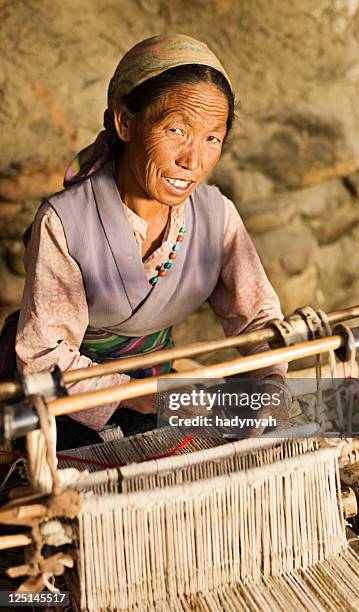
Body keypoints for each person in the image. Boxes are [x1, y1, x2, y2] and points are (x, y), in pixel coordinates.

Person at [11, 34, 288, 449]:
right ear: (125, 122)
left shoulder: (215, 217)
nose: (192, 161)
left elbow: (259, 320)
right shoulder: (66, 223)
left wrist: (269, 383)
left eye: (212, 138)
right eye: (177, 130)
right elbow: (42, 356)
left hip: (161, 393)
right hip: (69, 404)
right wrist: (145, 395)